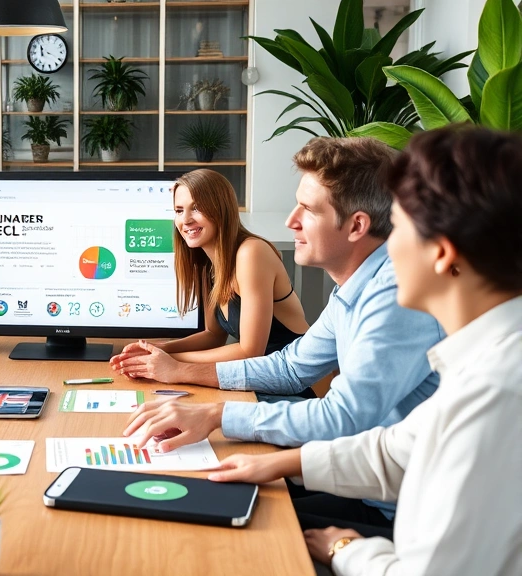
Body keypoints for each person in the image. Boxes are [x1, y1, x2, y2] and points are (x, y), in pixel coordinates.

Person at [207, 125, 522, 575]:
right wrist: (279, 465)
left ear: (443, 255)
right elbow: (397, 450)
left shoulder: (496, 389)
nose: (385, 245)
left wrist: (347, 550)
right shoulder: (485, 359)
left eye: (401, 228)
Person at [121, 137, 444, 537]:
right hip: (364, 483)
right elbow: (290, 367)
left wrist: (216, 414)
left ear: (357, 225)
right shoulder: (356, 288)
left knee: (219, 523)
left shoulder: (395, 294)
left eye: (307, 210)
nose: (290, 221)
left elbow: (340, 416)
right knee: (204, 494)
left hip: (403, 516)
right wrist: (179, 375)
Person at [109, 169, 310, 385]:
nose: (185, 220)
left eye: (196, 208)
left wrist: (172, 362)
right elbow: (214, 335)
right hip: (260, 379)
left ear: (220, 209)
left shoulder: (252, 253)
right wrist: (159, 348)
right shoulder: (207, 262)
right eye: (178, 210)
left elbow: (251, 351)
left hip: (298, 382)